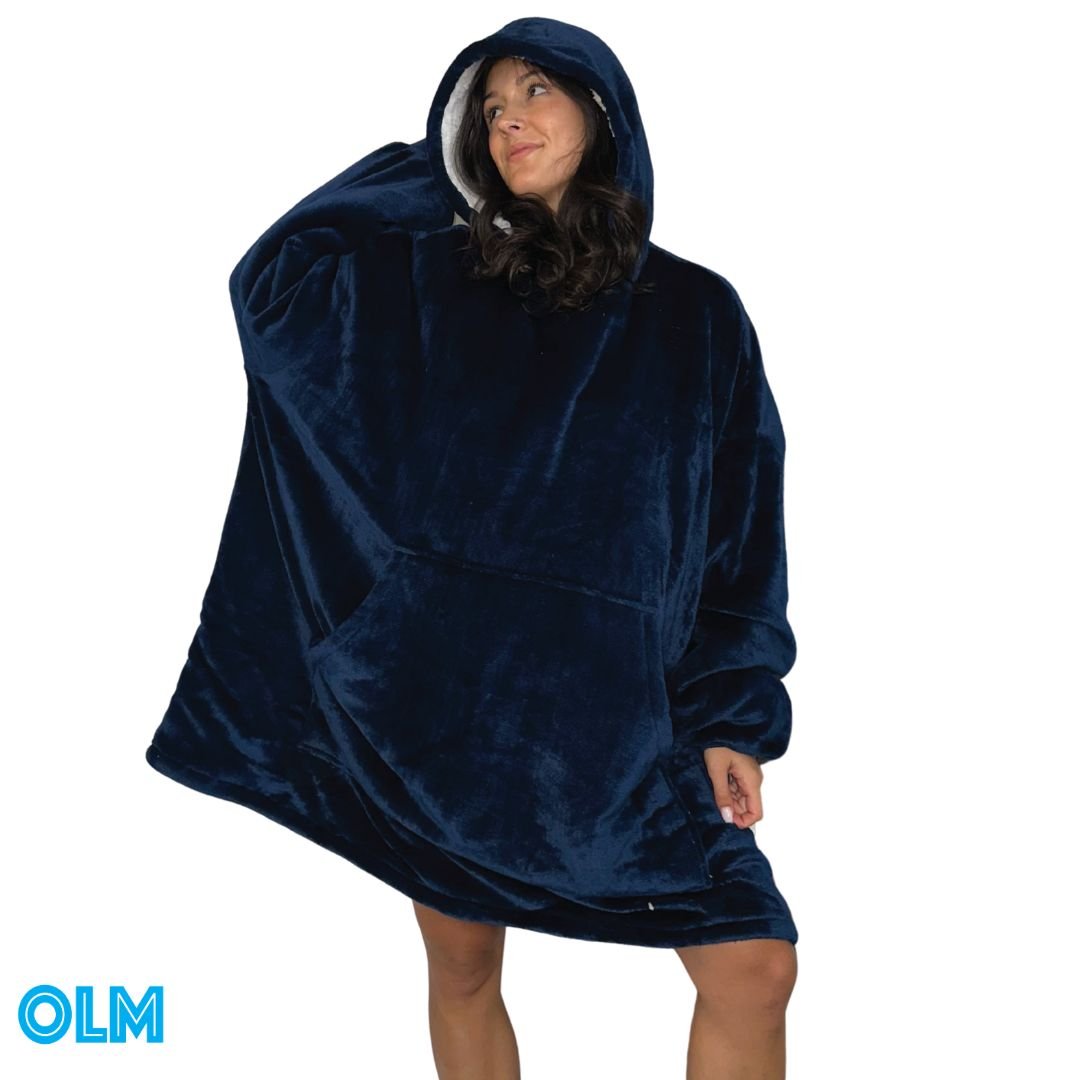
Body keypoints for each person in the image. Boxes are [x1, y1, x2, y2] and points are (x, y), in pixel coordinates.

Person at [146, 17, 799, 1078]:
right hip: (450, 710)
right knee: (461, 969)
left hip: (627, 720)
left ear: (603, 111)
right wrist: (434, 167)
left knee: (754, 969)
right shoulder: (429, 281)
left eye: (537, 92)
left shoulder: (700, 313)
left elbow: (741, 531)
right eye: (489, 109)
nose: (508, 122)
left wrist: (733, 716)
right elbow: (274, 287)